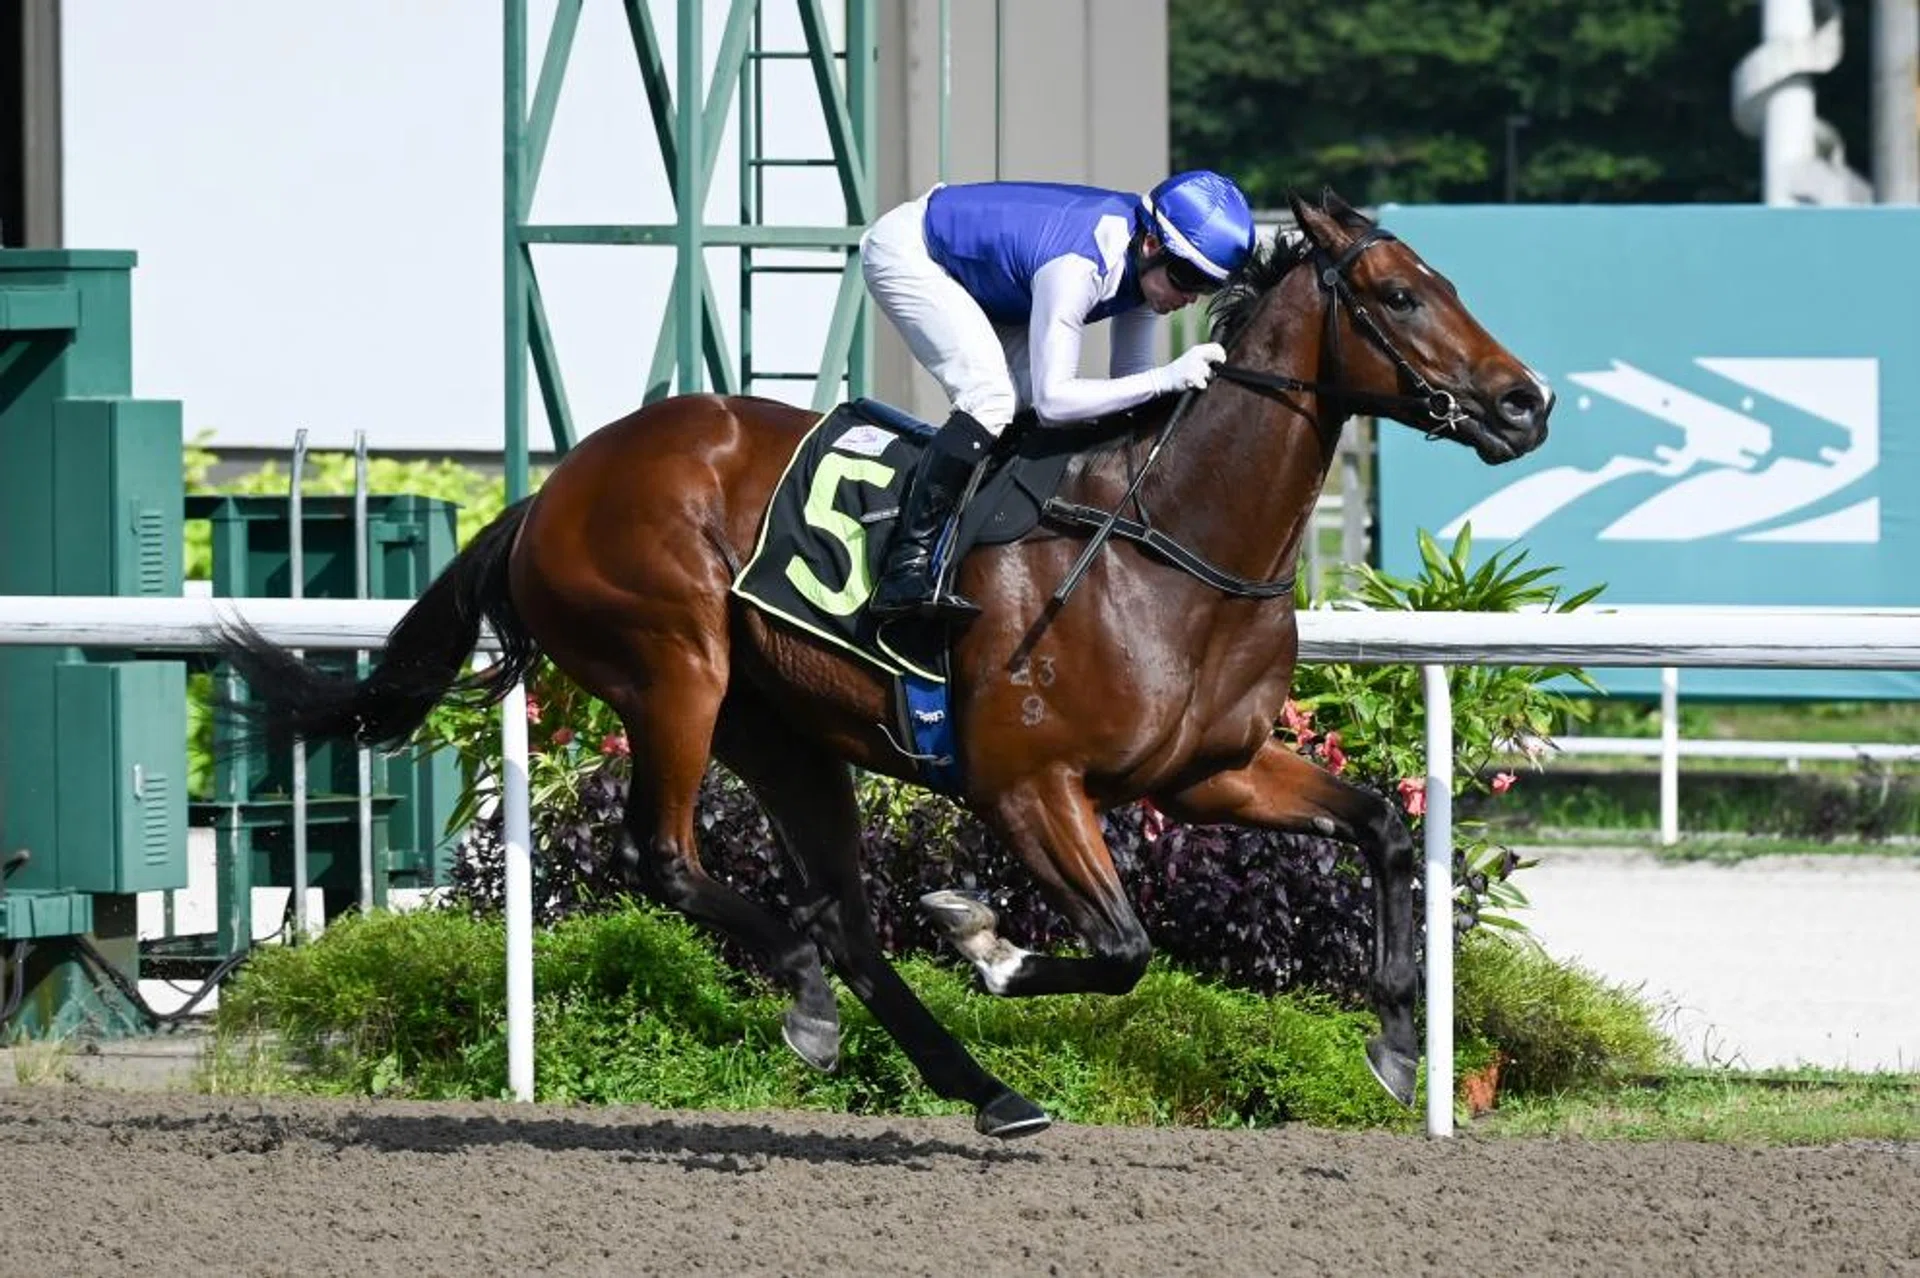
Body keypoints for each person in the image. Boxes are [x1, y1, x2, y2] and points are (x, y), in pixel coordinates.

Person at [857, 169, 1258, 619]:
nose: (1191, 297)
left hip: (990, 279)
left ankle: (979, 532)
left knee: (1026, 396)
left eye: (1207, 286)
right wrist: (1168, 378)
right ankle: (904, 567)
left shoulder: (1146, 267)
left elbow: (1132, 382)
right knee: (992, 398)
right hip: (912, 252)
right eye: (1187, 277)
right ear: (1150, 244)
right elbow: (1056, 402)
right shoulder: (1078, 268)